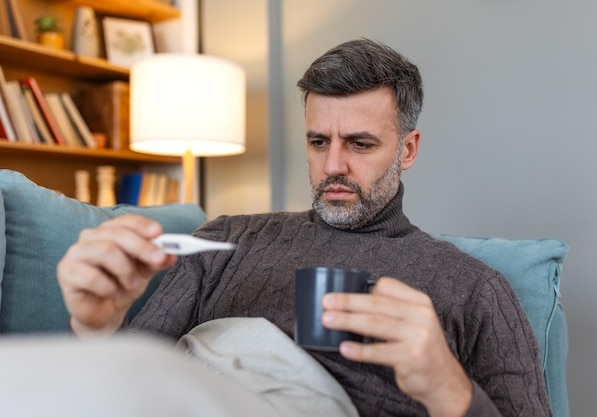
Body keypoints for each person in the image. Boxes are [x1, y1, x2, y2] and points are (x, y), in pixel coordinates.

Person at [57, 39, 552, 417]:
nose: (333, 164)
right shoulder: (224, 240)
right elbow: (125, 386)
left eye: (360, 144)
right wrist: (96, 327)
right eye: (318, 141)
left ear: (407, 150)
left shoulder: (474, 289)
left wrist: (448, 387)